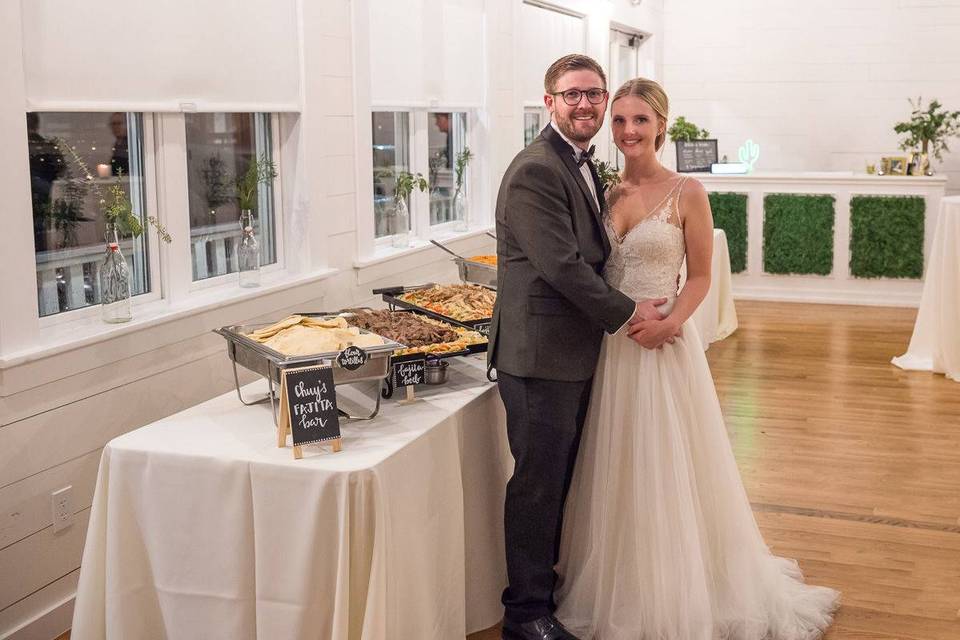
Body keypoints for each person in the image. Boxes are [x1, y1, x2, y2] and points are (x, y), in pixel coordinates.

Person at [553, 78, 840, 639]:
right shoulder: (603, 191)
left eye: (640, 120)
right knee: (614, 468)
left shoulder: (688, 191)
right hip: (610, 350)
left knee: (667, 468)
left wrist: (671, 323)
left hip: (663, 347)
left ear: (662, 124)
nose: (629, 131)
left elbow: (703, 275)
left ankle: (679, 586)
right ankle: (619, 581)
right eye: (619, 121)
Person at [487, 55, 672, 640]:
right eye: (573, 96)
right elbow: (563, 267)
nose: (586, 105)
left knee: (565, 478)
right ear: (549, 103)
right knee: (539, 485)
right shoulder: (537, 169)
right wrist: (627, 312)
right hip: (539, 356)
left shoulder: (582, 164)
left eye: (594, 95)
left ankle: (552, 589)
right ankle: (526, 613)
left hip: (575, 351)